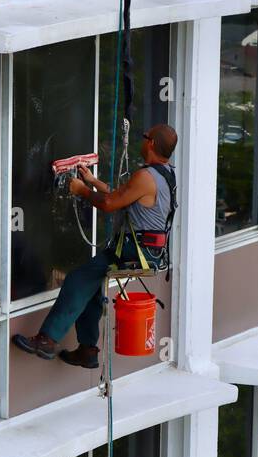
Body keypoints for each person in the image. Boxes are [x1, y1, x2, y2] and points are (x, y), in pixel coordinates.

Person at [12, 122, 177, 370]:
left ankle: (47, 340)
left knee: (78, 279)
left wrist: (81, 191)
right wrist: (92, 181)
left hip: (136, 251)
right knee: (90, 283)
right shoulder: (165, 174)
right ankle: (87, 350)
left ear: (151, 143)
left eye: (145, 137)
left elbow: (110, 204)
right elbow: (121, 195)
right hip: (149, 250)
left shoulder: (145, 176)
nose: (142, 140)